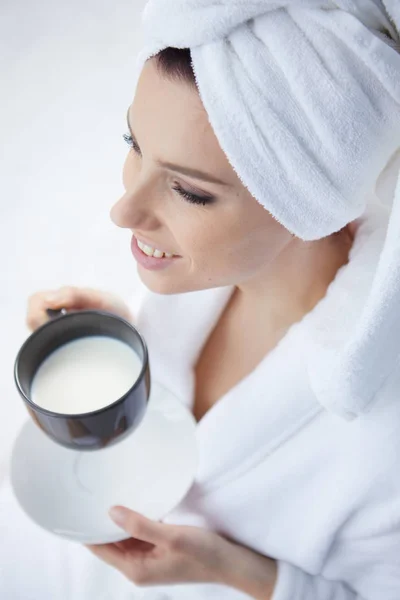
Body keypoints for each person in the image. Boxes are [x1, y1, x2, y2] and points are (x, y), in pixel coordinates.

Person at [2, 1, 400, 599]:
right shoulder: (204, 285)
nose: (123, 211)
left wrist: (236, 571)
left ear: (308, 204)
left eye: (187, 191)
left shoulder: (383, 438)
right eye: (133, 142)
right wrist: (125, 350)